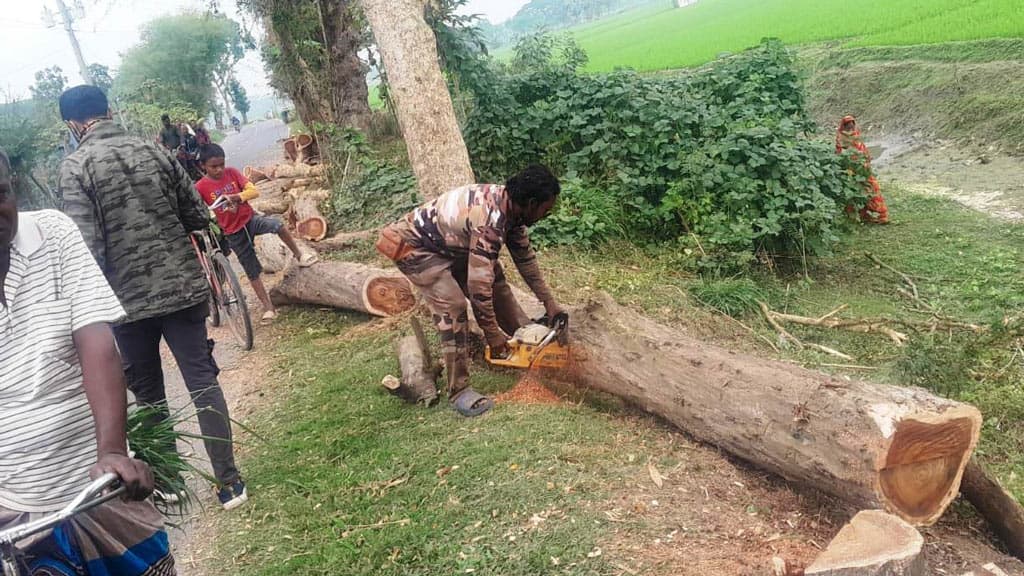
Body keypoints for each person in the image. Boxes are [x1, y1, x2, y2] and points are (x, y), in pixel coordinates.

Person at [56, 85, 249, 511]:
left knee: (148, 394)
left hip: (123, 305)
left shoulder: (75, 167)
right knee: (202, 380)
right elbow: (197, 215)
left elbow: (85, 247)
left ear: (71, 123)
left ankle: (170, 481)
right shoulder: (155, 152)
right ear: (109, 110)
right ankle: (229, 483)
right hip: (181, 289)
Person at [0, 148, 176, 575]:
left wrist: (113, 451)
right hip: (12, 509)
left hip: (97, 487)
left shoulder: (53, 234)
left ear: (14, 189)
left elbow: (96, 342)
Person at [377, 164, 567, 417]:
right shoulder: (490, 220)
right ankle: (458, 391)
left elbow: (527, 263)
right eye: (546, 209)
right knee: (453, 306)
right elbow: (478, 289)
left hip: (448, 244)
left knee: (497, 281)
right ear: (532, 203)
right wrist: (491, 335)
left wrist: (550, 304)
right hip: (415, 247)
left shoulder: (513, 211)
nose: (547, 213)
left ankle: (529, 346)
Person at [196, 143, 319, 324]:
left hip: (250, 220)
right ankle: (268, 307)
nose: (219, 169)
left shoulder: (232, 173)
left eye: (222, 164)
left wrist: (237, 198)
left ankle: (299, 254)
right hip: (233, 232)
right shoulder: (200, 187)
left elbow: (253, 191)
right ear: (203, 166)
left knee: (277, 225)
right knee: (252, 271)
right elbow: (200, 210)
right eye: (214, 166)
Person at [836, 115, 889, 224]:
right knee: (870, 190)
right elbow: (863, 152)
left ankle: (860, 216)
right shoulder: (853, 137)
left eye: (851, 125)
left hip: (851, 170)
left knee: (855, 192)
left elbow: (838, 154)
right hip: (859, 169)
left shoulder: (840, 137)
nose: (851, 128)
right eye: (849, 125)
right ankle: (877, 215)